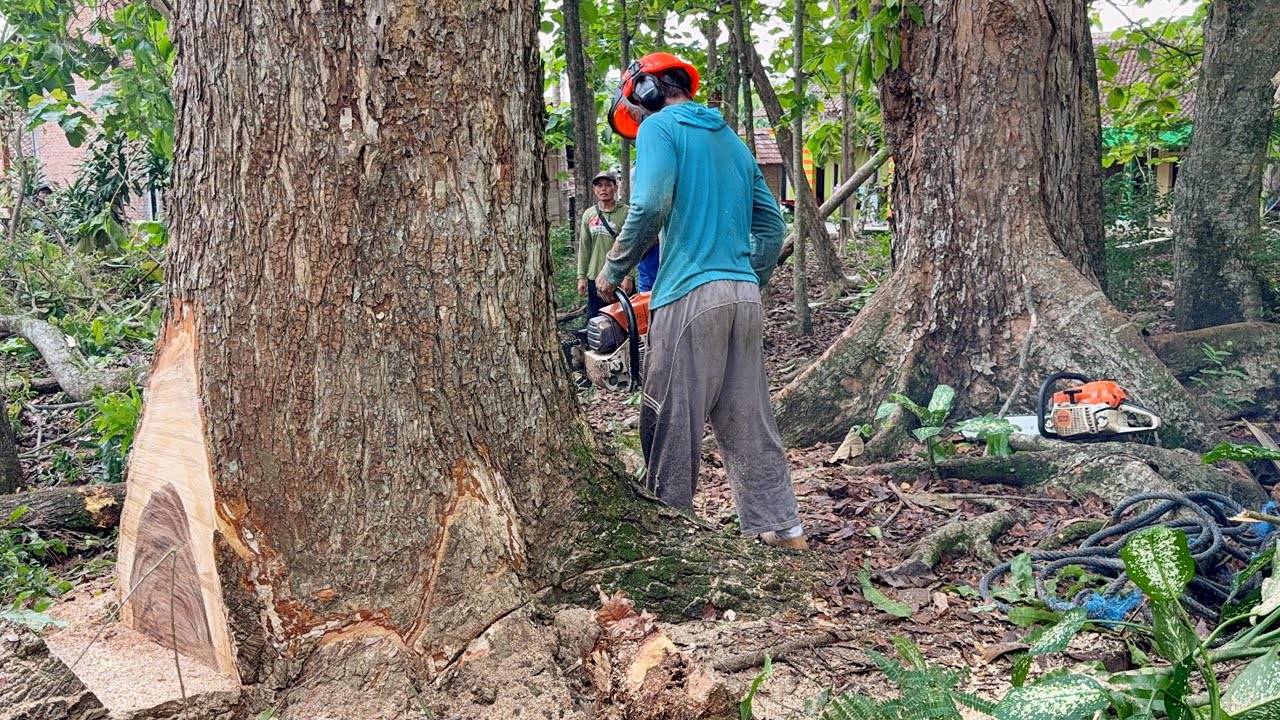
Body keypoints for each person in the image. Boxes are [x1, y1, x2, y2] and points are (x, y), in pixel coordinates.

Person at [598, 52, 806, 550]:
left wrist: (613, 270)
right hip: (743, 297)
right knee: (749, 419)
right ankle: (783, 529)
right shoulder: (731, 140)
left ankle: (670, 533)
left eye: (636, 108)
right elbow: (772, 226)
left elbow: (650, 204)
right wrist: (747, 279)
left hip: (687, 294)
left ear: (646, 91)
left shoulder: (659, 128)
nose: (638, 119)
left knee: (671, 416)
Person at [576, 171, 633, 318]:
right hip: (595, 277)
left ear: (615, 188)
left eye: (608, 185)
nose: (603, 189)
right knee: (596, 320)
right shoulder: (589, 214)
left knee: (623, 321)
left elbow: (633, 247)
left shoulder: (626, 213)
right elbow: (585, 247)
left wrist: (629, 276)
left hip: (619, 277)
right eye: (599, 186)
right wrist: (581, 277)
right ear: (594, 190)